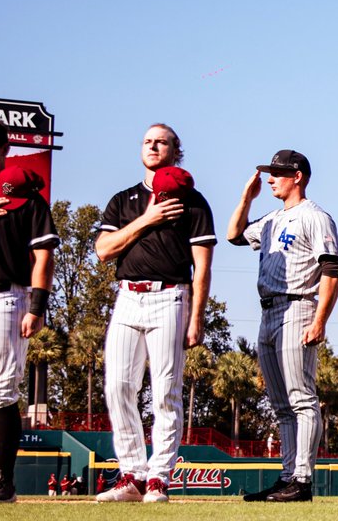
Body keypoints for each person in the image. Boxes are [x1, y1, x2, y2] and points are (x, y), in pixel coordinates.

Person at [95, 124, 215, 504]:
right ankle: (131, 474)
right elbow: (103, 250)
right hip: (128, 296)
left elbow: (203, 267)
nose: (152, 145)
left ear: (175, 151)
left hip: (170, 296)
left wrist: (197, 318)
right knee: (118, 387)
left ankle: (158, 477)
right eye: (147, 140)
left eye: (161, 141)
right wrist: (147, 218)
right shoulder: (124, 200)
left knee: (166, 392)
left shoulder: (193, 202)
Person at [227, 149, 338, 503]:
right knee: (280, 405)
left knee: (301, 399)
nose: (271, 178)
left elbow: (332, 270)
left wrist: (320, 319)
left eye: (278, 172)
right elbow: (233, 235)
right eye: (269, 171)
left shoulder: (315, 216)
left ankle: (303, 480)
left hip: (299, 306)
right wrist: (246, 198)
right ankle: (287, 475)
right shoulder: (272, 219)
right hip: (268, 311)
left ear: (298, 176)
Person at [0, 129, 55, 506]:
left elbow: (43, 256)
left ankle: (3, 481)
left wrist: (37, 306)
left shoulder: (25, 197)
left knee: (0, 391)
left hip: (5, 296)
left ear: (4, 148)